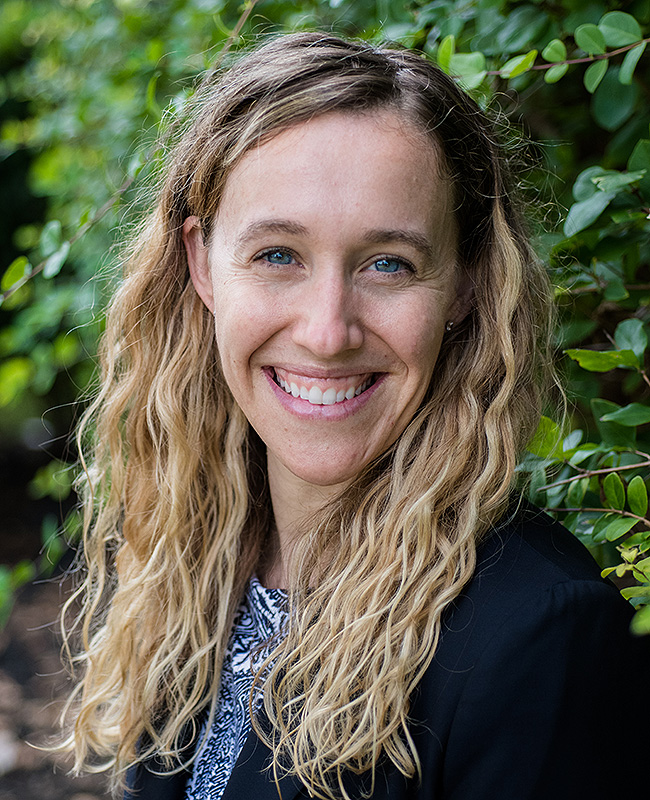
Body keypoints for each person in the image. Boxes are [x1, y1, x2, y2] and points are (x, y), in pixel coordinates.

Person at [60, 32, 648, 800]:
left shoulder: (539, 636)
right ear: (202, 264)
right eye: (278, 255)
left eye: (387, 264)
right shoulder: (196, 556)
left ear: (466, 284)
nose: (327, 331)